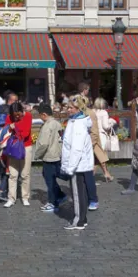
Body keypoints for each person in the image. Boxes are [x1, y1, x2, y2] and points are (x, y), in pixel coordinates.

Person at [60, 95, 93, 231]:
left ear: (78, 109)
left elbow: (77, 148)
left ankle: (78, 220)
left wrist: (70, 167)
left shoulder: (78, 124)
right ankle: (82, 218)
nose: (68, 110)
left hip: (76, 165)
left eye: (71, 108)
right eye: (67, 107)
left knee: (77, 193)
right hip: (76, 163)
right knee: (79, 191)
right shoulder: (74, 121)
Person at [33, 103, 66, 212]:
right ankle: (60, 195)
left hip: (49, 156)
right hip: (57, 155)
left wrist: (37, 155)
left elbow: (43, 144)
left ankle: (53, 202)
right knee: (51, 177)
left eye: (39, 115)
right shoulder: (57, 123)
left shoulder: (47, 126)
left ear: (43, 114)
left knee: (50, 181)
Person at [4, 101, 33, 207]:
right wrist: (13, 128)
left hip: (26, 146)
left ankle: (25, 197)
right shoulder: (9, 117)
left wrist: (14, 126)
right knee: (13, 174)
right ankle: (11, 198)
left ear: (22, 111)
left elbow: (25, 133)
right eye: (14, 115)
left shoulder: (28, 116)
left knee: (25, 174)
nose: (16, 116)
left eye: (18, 114)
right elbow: (6, 130)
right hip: (13, 147)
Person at [92, 97, 115, 182]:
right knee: (99, 157)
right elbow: (105, 126)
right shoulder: (103, 112)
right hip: (101, 136)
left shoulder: (92, 112)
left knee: (97, 157)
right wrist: (112, 122)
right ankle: (103, 174)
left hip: (92, 136)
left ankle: (106, 173)